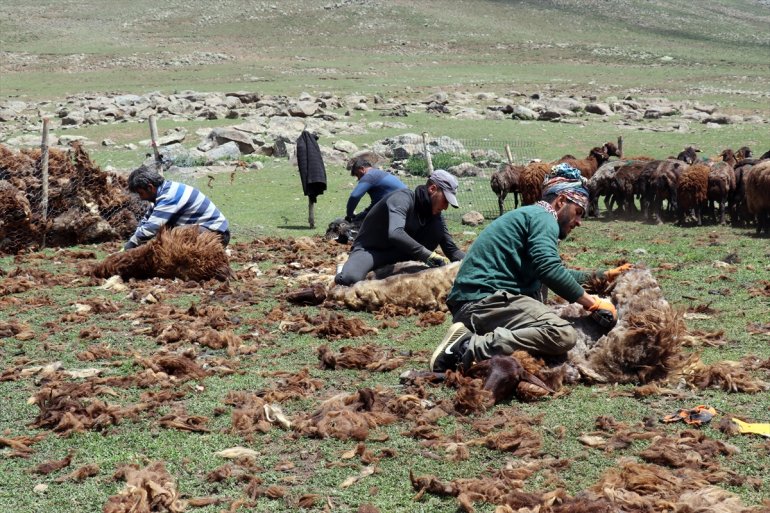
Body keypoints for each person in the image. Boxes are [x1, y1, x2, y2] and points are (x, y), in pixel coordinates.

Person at [430, 163, 632, 373]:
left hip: (476, 302)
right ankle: (464, 348)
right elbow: (548, 269)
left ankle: (481, 339)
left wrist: (603, 276)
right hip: (482, 301)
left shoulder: (532, 216)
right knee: (562, 333)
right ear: (561, 201)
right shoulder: (544, 218)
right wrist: (592, 303)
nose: (579, 221)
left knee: (544, 325)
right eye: (578, 212)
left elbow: (557, 272)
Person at [334, 169, 465, 286]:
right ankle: (343, 267)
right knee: (348, 279)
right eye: (445, 200)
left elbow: (452, 250)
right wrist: (427, 255)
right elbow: (395, 233)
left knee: (437, 230)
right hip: (372, 251)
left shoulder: (436, 216)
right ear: (432, 189)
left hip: (401, 256)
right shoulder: (402, 199)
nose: (446, 207)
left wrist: (476, 262)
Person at [124, 165, 230, 250]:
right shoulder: (162, 193)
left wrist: (130, 246)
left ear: (150, 187)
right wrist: (132, 242)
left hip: (217, 234)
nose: (141, 198)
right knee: (166, 232)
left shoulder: (169, 197)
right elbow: (147, 220)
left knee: (173, 235)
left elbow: (151, 227)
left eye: (141, 193)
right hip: (203, 230)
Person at [345, 158, 407, 223]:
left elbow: (354, 196)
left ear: (362, 169)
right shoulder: (379, 173)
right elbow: (378, 201)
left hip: (397, 205)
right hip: (405, 201)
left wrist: (349, 215)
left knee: (358, 222)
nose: (358, 178)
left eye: (357, 174)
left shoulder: (369, 176)